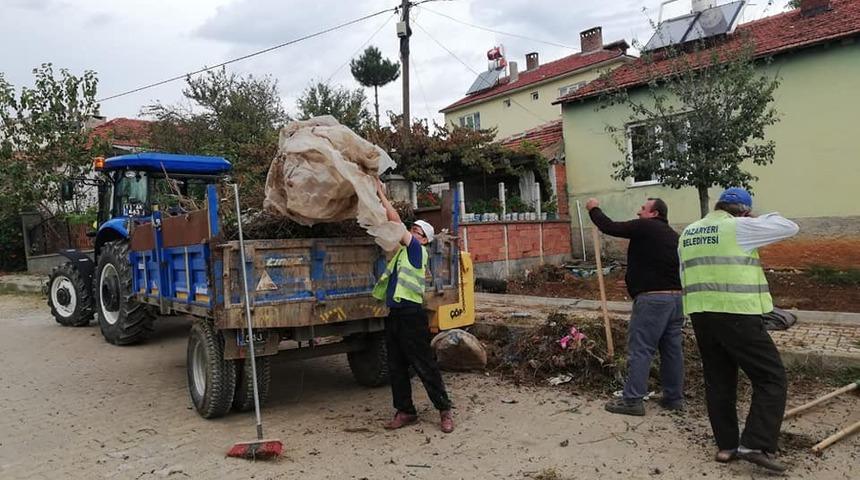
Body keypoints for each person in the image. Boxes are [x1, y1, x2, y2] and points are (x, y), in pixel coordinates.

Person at [679, 187, 798, 472]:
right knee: (771, 377)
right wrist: (755, 217)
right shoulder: (739, 227)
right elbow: (789, 227)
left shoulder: (689, 232)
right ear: (743, 210)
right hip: (736, 314)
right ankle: (755, 444)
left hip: (700, 313)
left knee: (719, 380)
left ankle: (727, 446)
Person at [586, 197, 685, 416]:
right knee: (672, 350)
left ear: (654, 214)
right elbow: (660, 266)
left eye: (643, 209)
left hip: (653, 302)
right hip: (676, 300)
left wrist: (593, 209)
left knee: (641, 348)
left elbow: (609, 226)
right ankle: (673, 398)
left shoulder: (646, 226)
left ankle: (632, 400)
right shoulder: (672, 235)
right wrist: (635, 281)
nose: (639, 212)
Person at [372, 178, 454, 433]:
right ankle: (406, 411)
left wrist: (381, 195)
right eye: (413, 229)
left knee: (424, 364)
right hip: (395, 315)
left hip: (412, 316)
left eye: (416, 231)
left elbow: (395, 222)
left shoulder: (418, 251)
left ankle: (444, 409)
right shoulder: (400, 254)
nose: (411, 232)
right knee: (396, 366)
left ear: (424, 240)